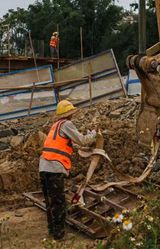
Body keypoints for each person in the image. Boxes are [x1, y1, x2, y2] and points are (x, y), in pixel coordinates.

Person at [39, 100, 96, 241]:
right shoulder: (67, 124)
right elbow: (82, 140)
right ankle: (59, 235)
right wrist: (94, 134)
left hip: (44, 166)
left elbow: (64, 144)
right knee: (58, 202)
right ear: (69, 114)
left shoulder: (55, 126)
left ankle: (52, 230)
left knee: (50, 201)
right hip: (54, 167)